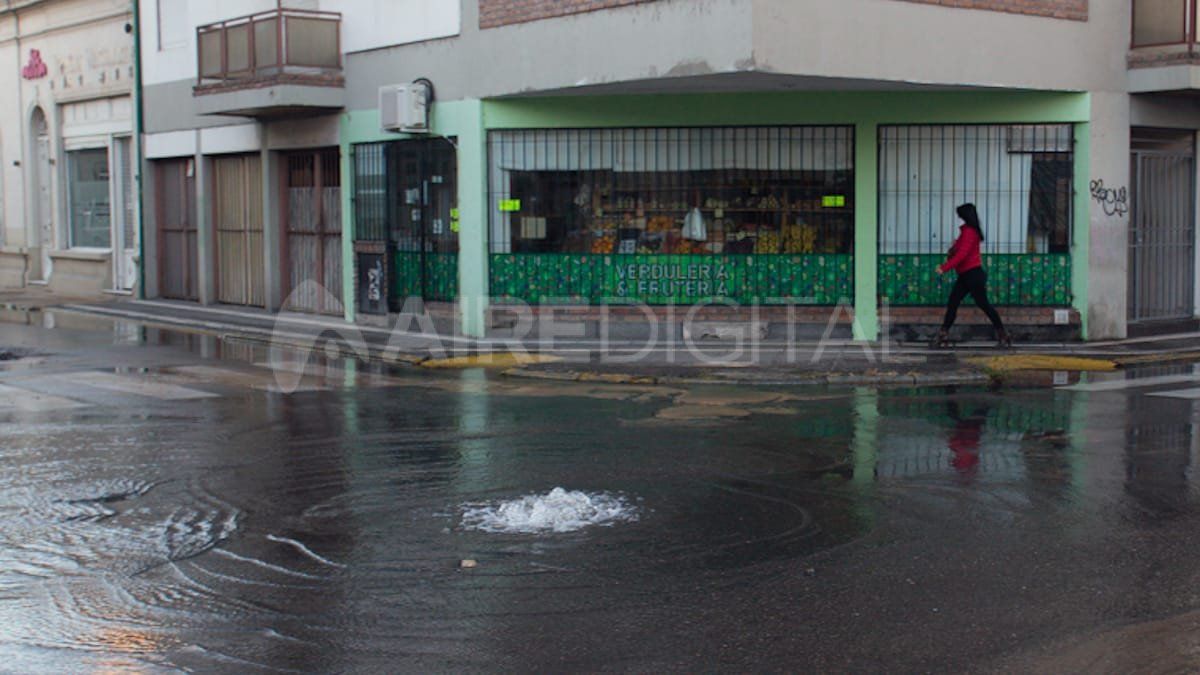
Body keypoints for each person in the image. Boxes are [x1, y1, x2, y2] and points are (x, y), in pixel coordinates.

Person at [932, 203, 1012, 348]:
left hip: (972, 275)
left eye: (960, 215)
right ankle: (943, 334)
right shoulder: (967, 232)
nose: (959, 217)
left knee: (981, 304)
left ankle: (1003, 334)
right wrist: (952, 251)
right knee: (955, 302)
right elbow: (957, 252)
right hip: (967, 274)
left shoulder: (969, 232)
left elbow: (962, 254)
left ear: (965, 215)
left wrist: (944, 268)